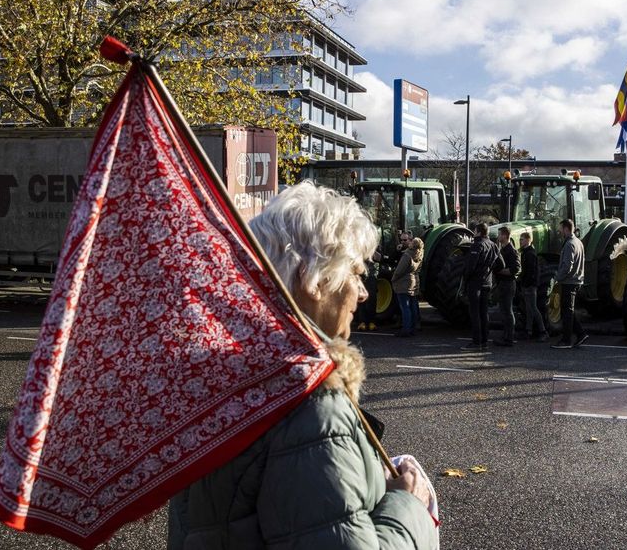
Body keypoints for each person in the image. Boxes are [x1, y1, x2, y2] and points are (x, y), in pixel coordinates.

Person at [168, 182, 438, 549]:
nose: (362, 292)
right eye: (355, 273)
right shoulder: (308, 402)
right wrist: (409, 506)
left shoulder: (229, 373)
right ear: (313, 279)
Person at [461, 222, 501, 352]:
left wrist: (465, 279)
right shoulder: (493, 245)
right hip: (487, 282)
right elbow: (501, 264)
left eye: (475, 231)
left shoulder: (477, 245)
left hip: (475, 283)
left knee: (475, 313)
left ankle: (476, 341)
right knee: (484, 313)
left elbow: (470, 267)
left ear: (478, 232)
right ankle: (484, 340)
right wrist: (490, 270)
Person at [552, 218, 588, 350]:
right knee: (569, 310)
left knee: (566, 312)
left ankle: (566, 340)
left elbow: (567, 265)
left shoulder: (569, 244)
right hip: (576, 280)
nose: (559, 231)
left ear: (566, 229)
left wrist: (557, 277)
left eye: (560, 228)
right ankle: (581, 334)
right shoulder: (578, 242)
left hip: (569, 281)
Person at [493, 227, 519, 347]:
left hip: (508, 284)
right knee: (504, 311)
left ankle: (509, 338)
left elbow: (515, 269)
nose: (498, 237)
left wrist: (500, 271)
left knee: (508, 311)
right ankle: (506, 335)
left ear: (504, 236)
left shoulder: (511, 251)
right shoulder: (502, 249)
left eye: (499, 234)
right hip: (502, 283)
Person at [517, 231, 546, 341]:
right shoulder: (526, 252)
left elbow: (532, 272)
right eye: (520, 239)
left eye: (522, 239)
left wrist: (528, 284)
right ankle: (528, 331)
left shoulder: (530, 254)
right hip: (527, 285)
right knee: (529, 309)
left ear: (528, 240)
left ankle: (543, 331)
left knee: (533, 308)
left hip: (530, 286)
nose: (520, 241)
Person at [392, 237, 423, 337]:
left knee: (405, 307)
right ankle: (412, 328)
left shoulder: (407, 255)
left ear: (412, 244)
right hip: (414, 281)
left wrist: (393, 278)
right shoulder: (420, 254)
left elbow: (399, 270)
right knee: (413, 306)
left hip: (404, 283)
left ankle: (406, 329)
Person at [356, 250, 382, 331]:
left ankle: (371, 322)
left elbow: (379, 258)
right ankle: (362, 322)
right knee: (361, 299)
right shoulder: (360, 248)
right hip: (361, 275)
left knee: (372, 299)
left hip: (371, 277)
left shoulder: (374, 248)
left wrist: (372, 250)